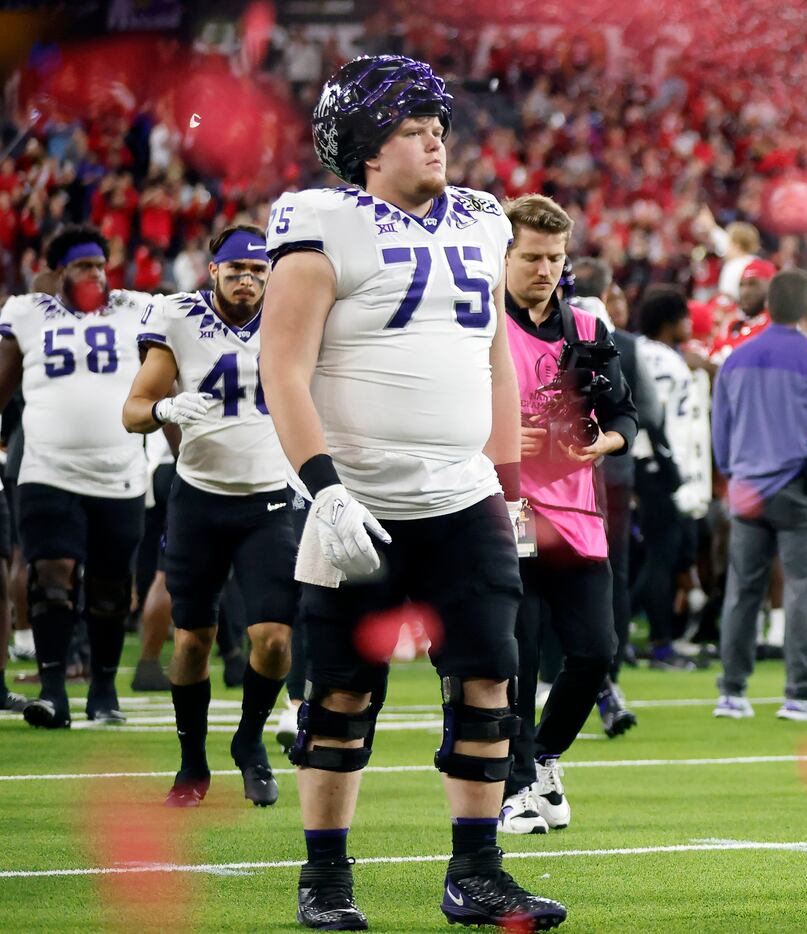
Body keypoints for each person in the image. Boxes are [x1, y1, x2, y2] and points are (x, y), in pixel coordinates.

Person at [261, 55, 565, 930]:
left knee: (489, 685)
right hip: (354, 496)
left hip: (462, 495)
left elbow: (495, 364)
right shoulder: (320, 225)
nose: (434, 138)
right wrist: (321, 490)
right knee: (342, 695)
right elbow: (280, 368)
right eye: (409, 128)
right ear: (364, 146)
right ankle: (324, 881)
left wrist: (507, 487)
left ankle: (477, 873)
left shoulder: (481, 218)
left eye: (436, 125)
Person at [121, 224, 297, 808]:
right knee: (193, 640)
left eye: (257, 271)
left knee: (273, 639)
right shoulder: (175, 315)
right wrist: (168, 404)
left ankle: (249, 743)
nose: (247, 280)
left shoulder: (291, 316)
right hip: (198, 498)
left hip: (270, 498)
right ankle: (192, 764)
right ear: (213, 270)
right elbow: (134, 411)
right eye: (236, 270)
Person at [493, 195, 636, 837]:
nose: (544, 269)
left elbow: (627, 415)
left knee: (594, 653)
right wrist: (495, 435)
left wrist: (602, 441)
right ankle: (514, 785)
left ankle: (544, 758)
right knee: (517, 656)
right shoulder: (479, 326)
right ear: (504, 256)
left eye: (554, 257)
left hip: (578, 515)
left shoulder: (587, 330)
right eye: (530, 257)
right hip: (508, 511)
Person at [0, 225, 148, 728]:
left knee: (110, 586)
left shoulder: (135, 309)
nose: (96, 275)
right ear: (59, 272)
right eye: (85, 266)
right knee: (52, 574)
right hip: (47, 469)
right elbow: (3, 381)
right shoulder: (25, 312)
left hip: (121, 471)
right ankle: (53, 691)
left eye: (101, 266)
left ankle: (103, 691)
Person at [710, 269, 807, 721]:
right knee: (802, 591)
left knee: (742, 591)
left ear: (768, 306)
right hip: (802, 489)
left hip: (748, 489)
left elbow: (720, 431)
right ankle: (802, 693)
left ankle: (731, 693)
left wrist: (735, 476)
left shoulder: (735, 359)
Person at [570, 256, 647, 732]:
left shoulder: (542, 327)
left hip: (553, 473)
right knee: (606, 576)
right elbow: (642, 411)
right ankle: (608, 676)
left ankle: (563, 674)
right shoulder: (625, 343)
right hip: (608, 478)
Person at [632, 286, 714, 669]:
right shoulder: (659, 360)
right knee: (661, 558)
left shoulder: (662, 355)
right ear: (668, 321)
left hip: (662, 469)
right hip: (659, 468)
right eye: (683, 317)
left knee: (669, 556)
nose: (689, 324)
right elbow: (654, 418)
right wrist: (667, 465)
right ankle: (660, 644)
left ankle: (652, 639)